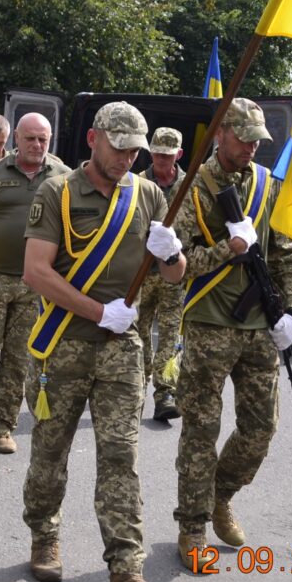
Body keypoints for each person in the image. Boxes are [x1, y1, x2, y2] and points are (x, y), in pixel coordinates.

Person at [22, 101, 183, 582]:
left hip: (121, 351)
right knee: (50, 454)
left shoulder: (150, 194)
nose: (127, 158)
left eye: (134, 149)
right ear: (93, 139)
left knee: (120, 459)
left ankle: (126, 574)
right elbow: (36, 272)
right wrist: (97, 311)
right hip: (63, 343)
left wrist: (172, 253)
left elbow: (176, 277)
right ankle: (44, 535)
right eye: (119, 147)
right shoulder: (58, 192)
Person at [171, 97, 292, 569]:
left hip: (259, 331)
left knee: (261, 428)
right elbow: (178, 265)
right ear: (221, 134)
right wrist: (230, 248)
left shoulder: (268, 186)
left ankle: (221, 495)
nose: (250, 148)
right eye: (243, 139)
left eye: (256, 141)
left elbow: (285, 252)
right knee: (201, 432)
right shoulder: (193, 188)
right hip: (209, 326)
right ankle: (192, 528)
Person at [0, 112, 69, 454]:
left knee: (19, 357)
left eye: (43, 139)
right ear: (16, 138)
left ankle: (0, 425)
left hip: (37, 281)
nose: (37, 145)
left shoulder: (63, 176)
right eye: (30, 138)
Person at [136, 127, 186, 422]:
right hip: (141, 272)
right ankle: (137, 384)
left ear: (178, 155)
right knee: (139, 332)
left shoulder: (189, 185)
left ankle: (165, 391)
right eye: (156, 154)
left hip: (174, 271)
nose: (161, 160)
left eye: (167, 155)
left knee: (170, 332)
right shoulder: (138, 183)